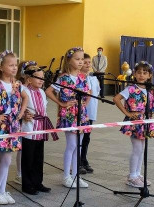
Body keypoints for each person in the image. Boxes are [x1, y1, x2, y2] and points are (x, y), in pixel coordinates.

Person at [46, 47, 91, 189]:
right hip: (69, 115)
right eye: (77, 59)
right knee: (72, 145)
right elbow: (49, 91)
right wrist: (61, 103)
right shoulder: (63, 78)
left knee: (79, 146)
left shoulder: (83, 77)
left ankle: (76, 176)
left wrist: (85, 103)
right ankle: (66, 176)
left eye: (82, 59)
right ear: (69, 60)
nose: (80, 62)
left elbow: (89, 92)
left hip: (81, 114)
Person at [0, 50, 28, 205]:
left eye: (15, 65)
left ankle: (2, 190)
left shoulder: (16, 84)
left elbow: (25, 97)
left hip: (13, 125)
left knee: (7, 160)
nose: (14, 68)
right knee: (3, 160)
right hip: (1, 125)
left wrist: (21, 113)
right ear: (1, 67)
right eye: (10, 65)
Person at [113, 61, 154, 188]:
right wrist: (127, 113)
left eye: (145, 73)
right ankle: (132, 176)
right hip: (135, 122)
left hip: (145, 121)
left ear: (149, 75)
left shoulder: (149, 90)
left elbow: (152, 105)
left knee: (141, 149)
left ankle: (137, 174)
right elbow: (116, 99)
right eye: (139, 72)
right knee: (137, 149)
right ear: (135, 74)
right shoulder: (131, 89)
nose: (141, 75)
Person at [20, 64, 57, 194]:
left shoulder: (41, 92)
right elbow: (19, 107)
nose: (42, 80)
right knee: (28, 158)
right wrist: (24, 114)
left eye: (43, 78)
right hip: (29, 128)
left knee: (38, 157)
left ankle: (38, 182)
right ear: (29, 79)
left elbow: (43, 108)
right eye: (38, 78)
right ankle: (27, 184)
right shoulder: (24, 91)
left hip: (40, 128)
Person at [80, 53, 99, 174]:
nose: (88, 65)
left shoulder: (93, 78)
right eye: (85, 62)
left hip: (91, 112)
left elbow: (96, 93)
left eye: (89, 62)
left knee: (87, 137)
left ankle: (84, 159)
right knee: (79, 138)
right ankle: (77, 162)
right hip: (81, 112)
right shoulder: (79, 78)